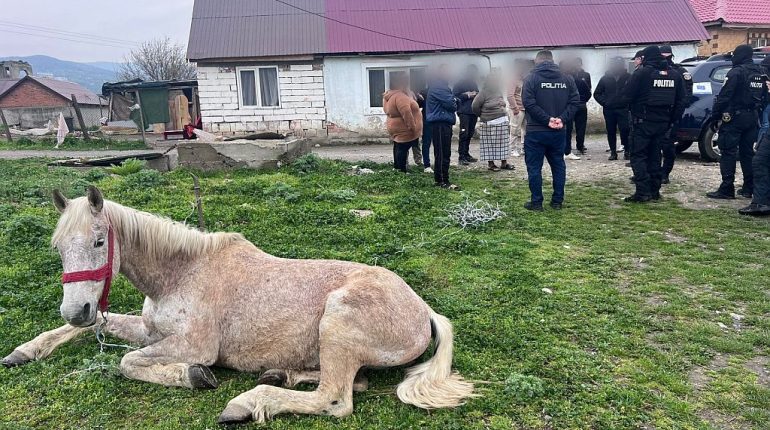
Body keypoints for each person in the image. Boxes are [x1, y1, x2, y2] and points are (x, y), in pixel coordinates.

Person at [624, 45, 686, 203]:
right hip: (663, 124)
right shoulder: (674, 75)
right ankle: (654, 191)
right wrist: (671, 120)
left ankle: (642, 192)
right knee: (655, 156)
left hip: (642, 123)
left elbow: (627, 95)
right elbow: (681, 101)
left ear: (646, 58)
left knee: (638, 157)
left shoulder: (641, 73)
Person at [706, 44, 766, 200]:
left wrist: (715, 116)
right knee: (747, 153)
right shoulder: (760, 72)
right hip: (752, 117)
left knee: (728, 151)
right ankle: (748, 188)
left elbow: (724, 96)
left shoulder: (736, 72)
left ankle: (727, 188)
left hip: (734, 118)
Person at [522, 50, 580, 211]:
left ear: (537, 61)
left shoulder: (531, 78)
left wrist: (547, 120)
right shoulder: (566, 78)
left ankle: (536, 202)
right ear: (552, 61)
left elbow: (528, 103)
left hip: (536, 131)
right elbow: (575, 101)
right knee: (558, 165)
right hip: (558, 131)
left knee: (534, 168)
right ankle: (557, 201)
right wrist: (562, 118)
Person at [659, 45, 694, 184]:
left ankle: (665, 173)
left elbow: (687, 94)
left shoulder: (680, 72)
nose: (664, 59)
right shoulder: (654, 71)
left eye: (666, 56)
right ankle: (653, 172)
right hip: (656, 114)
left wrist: (678, 110)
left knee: (668, 145)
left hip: (672, 114)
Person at [426, 64, 460, 190]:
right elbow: (452, 104)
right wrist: (455, 100)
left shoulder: (442, 86)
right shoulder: (439, 87)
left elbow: (453, 101)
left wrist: (455, 100)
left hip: (443, 123)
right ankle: (442, 180)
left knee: (444, 152)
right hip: (440, 123)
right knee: (442, 153)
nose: (450, 74)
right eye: (447, 72)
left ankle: (442, 178)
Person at [472, 68, 513, 171]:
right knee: (490, 144)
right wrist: (482, 115)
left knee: (503, 143)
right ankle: (491, 164)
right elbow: (474, 106)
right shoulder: (483, 93)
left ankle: (504, 163)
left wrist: (503, 104)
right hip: (489, 122)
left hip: (502, 120)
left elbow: (502, 102)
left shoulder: (498, 91)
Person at [383, 71, 423, 173]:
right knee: (402, 149)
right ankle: (402, 170)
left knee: (398, 147)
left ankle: (397, 168)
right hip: (405, 128)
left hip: (395, 127)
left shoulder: (389, 95)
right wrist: (413, 127)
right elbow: (406, 113)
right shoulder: (400, 96)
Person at [594, 57, 631, 160]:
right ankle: (613, 152)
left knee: (625, 130)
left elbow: (633, 92)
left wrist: (627, 102)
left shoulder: (629, 77)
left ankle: (627, 151)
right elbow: (597, 93)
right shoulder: (605, 78)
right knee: (611, 131)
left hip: (623, 109)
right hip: (609, 110)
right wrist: (605, 103)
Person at [564, 58, 592, 158]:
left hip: (570, 107)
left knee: (569, 128)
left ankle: (568, 148)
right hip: (580, 106)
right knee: (580, 128)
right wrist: (583, 101)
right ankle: (579, 147)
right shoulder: (581, 81)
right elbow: (588, 93)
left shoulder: (565, 82)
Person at [453, 64, 480, 165]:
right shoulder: (459, 83)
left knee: (470, 134)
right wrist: (467, 95)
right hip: (464, 112)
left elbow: (478, 93)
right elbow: (454, 96)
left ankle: (466, 154)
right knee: (464, 134)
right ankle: (461, 156)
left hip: (473, 112)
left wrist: (476, 94)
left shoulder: (473, 83)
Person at [507, 63, 528, 158]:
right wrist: (515, 108)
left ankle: (524, 148)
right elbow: (510, 95)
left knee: (526, 130)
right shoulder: (512, 80)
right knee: (514, 129)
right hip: (517, 109)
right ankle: (513, 149)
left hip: (525, 108)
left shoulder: (524, 80)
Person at [416, 87, 433, 173]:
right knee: (426, 143)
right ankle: (427, 165)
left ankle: (428, 165)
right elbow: (418, 105)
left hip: (430, 120)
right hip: (428, 121)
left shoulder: (442, 90)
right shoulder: (424, 92)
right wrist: (418, 98)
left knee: (428, 143)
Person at [757, 56, 770, 144]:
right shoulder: (764, 71)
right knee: (765, 125)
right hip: (766, 100)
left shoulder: (761, 69)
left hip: (764, 100)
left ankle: (760, 145)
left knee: (765, 124)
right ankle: (760, 145)